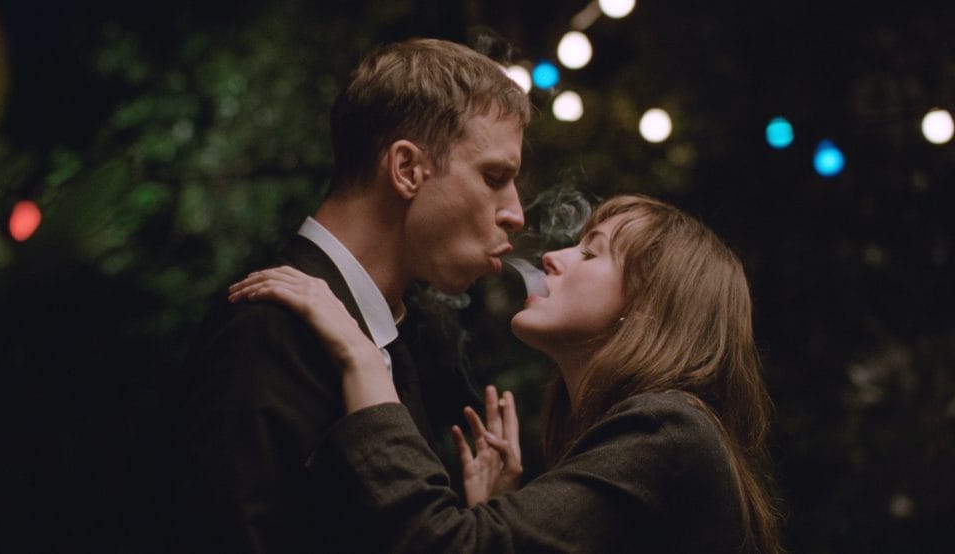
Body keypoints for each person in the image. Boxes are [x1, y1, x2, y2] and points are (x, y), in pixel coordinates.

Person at [230, 193, 783, 553]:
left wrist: (362, 359)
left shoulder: (669, 431)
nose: (552, 259)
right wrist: (498, 518)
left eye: (591, 254)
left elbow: (438, 546)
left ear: (647, 308)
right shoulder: (655, 437)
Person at [174, 38, 531, 552]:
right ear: (407, 169)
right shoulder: (265, 330)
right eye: (494, 177)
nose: (515, 213)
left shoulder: (387, 338)